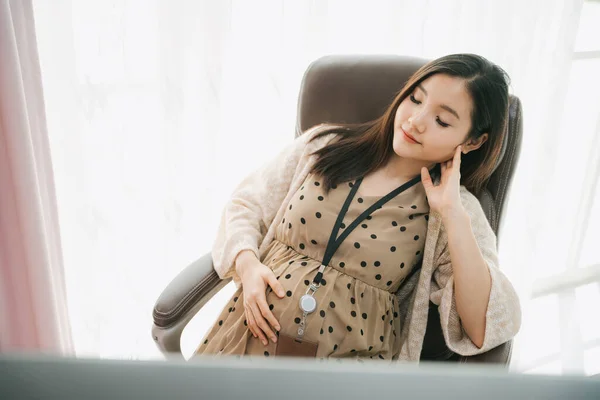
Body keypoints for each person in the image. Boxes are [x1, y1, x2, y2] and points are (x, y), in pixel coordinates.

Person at [194, 53, 521, 362]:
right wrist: (248, 266)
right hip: (243, 342)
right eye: (415, 99)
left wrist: (452, 215)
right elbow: (245, 205)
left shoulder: (456, 209)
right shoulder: (322, 146)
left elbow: (482, 325)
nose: (416, 121)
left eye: (442, 120)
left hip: (346, 374)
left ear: (473, 141)